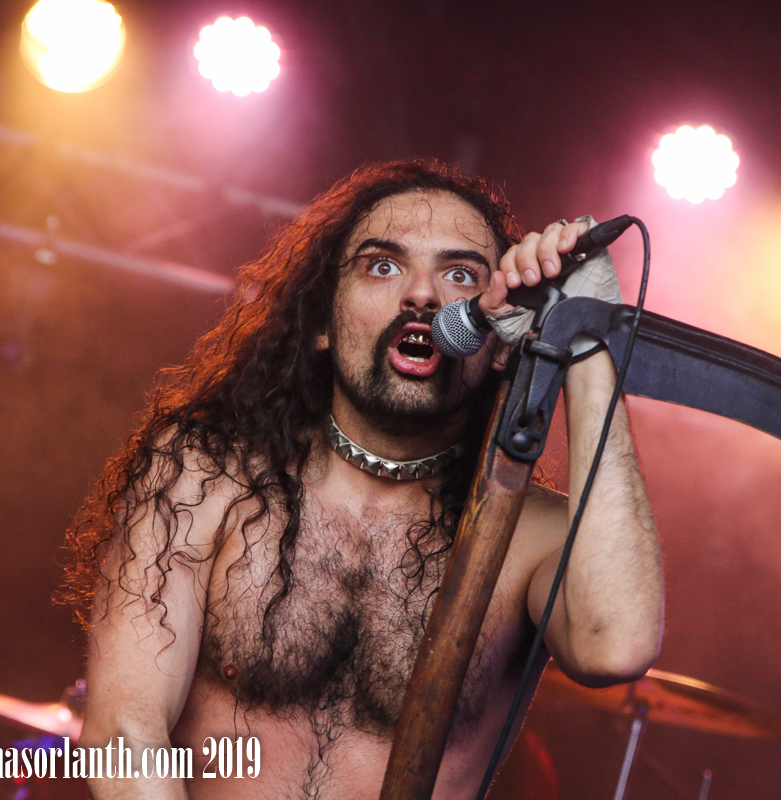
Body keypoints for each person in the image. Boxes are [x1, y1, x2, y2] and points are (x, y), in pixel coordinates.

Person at [62, 159, 662, 799]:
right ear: (323, 322)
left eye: (461, 274)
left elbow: (615, 648)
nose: (422, 295)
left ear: (500, 342)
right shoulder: (206, 471)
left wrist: (588, 342)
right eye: (382, 265)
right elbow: (125, 732)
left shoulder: (531, 532)